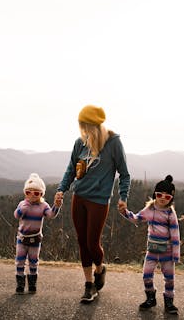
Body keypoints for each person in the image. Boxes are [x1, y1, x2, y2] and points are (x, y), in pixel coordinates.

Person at [55, 104, 131, 303]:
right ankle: (89, 285)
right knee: (81, 241)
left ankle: (100, 269)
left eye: (86, 126)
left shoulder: (113, 143)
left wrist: (123, 197)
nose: (84, 131)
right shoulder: (79, 143)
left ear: (95, 126)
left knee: (92, 243)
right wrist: (61, 190)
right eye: (82, 126)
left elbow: (124, 174)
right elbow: (70, 169)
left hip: (99, 200)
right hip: (78, 197)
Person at [118, 175, 180, 315]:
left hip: (167, 252)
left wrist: (175, 254)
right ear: (155, 195)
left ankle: (169, 302)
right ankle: (150, 298)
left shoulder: (170, 214)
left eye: (167, 196)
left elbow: (175, 235)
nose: (163, 198)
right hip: (152, 251)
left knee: (169, 278)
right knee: (146, 275)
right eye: (159, 194)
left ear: (171, 199)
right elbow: (136, 218)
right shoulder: (149, 210)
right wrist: (124, 212)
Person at [14, 173, 62, 294]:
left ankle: (32, 284)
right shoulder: (22, 204)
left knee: (33, 261)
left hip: (35, 239)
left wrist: (56, 206)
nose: (32, 195)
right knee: (20, 260)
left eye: (36, 193)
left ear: (41, 194)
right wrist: (21, 209)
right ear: (25, 193)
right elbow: (16, 215)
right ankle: (20, 285)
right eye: (28, 192)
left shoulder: (43, 205)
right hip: (22, 238)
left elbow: (51, 215)